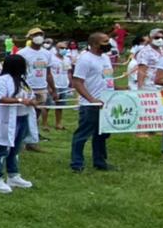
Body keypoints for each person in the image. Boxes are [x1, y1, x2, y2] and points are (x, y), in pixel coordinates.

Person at [0, 54, 37, 194]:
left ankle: (13, 175)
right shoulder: (3, 80)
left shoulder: (22, 80)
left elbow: (29, 95)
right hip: (8, 120)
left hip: (22, 117)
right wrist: (21, 101)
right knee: (3, 149)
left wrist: (33, 100)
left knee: (16, 148)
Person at [70, 32, 117, 173]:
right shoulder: (85, 59)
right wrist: (91, 99)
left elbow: (106, 79)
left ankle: (100, 161)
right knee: (83, 134)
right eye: (105, 41)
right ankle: (77, 163)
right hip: (91, 106)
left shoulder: (105, 58)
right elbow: (77, 82)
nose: (108, 44)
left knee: (101, 135)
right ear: (95, 44)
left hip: (106, 103)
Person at [19, 29, 55, 150]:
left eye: (41, 34)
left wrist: (53, 88)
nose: (39, 37)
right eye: (35, 35)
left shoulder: (47, 53)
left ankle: (32, 139)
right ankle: (22, 139)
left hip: (42, 87)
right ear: (30, 37)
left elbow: (48, 73)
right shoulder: (22, 53)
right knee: (25, 113)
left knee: (37, 114)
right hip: (27, 88)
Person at [49, 42, 74, 131]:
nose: (63, 49)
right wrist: (49, 86)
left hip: (64, 84)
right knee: (48, 105)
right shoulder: (51, 58)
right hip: (54, 84)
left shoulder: (67, 59)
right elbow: (48, 72)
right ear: (56, 48)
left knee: (60, 105)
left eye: (64, 48)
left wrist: (71, 82)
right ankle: (44, 123)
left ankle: (58, 123)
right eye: (61, 48)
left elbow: (69, 72)